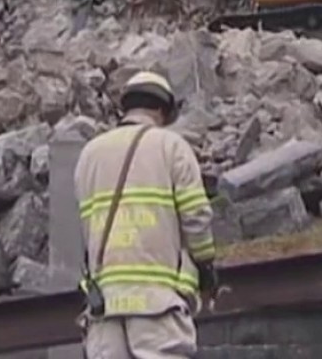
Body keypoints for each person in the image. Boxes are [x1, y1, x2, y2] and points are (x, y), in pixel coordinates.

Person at [74, 70, 219, 359]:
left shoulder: (89, 154)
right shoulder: (171, 147)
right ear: (161, 110)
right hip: (157, 305)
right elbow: (196, 216)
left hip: (104, 307)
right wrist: (205, 267)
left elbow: (84, 228)